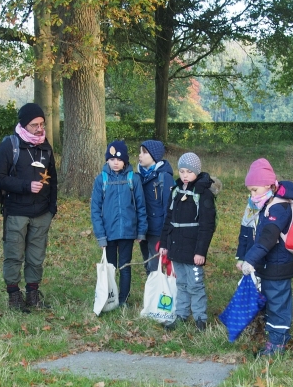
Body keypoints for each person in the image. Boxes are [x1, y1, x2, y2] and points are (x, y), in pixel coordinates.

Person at [0, 103, 58, 312]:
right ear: (23, 125)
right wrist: (25, 186)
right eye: (34, 125)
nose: (39, 128)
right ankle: (13, 295)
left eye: (41, 124)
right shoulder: (9, 146)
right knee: (14, 254)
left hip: (41, 212)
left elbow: (53, 179)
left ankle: (33, 293)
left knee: (36, 256)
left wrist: (52, 207)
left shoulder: (45, 146)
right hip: (17, 211)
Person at [236, 158, 293, 356]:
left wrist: (250, 260)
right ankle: (274, 338)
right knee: (271, 304)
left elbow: (267, 239)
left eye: (255, 190)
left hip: (278, 268)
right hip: (269, 267)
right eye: (250, 190)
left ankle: (277, 345)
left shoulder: (278, 208)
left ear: (269, 185)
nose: (252, 195)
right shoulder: (268, 204)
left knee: (278, 306)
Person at [159, 152, 218, 330]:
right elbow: (168, 218)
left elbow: (206, 226)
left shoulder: (203, 194)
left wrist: (201, 252)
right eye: (182, 171)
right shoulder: (176, 191)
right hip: (176, 246)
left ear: (197, 172)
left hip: (193, 249)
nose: (184, 175)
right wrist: (164, 243)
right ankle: (181, 315)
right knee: (181, 284)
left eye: (188, 171)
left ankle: (200, 317)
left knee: (195, 284)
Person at [91, 140, 147, 306]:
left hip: (128, 232)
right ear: (107, 160)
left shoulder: (133, 179)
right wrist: (100, 235)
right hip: (108, 233)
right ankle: (110, 297)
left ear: (126, 161)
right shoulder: (101, 180)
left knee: (125, 266)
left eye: (119, 159)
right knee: (110, 268)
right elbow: (95, 209)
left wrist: (141, 230)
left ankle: (123, 299)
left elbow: (141, 205)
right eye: (112, 159)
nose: (115, 162)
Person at [137, 139, 175, 274]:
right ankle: (152, 293)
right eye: (140, 152)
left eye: (144, 152)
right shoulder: (138, 176)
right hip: (143, 228)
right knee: (147, 264)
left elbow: (168, 208)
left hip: (157, 230)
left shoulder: (164, 177)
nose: (140, 155)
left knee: (155, 267)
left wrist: (166, 235)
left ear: (154, 156)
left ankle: (159, 293)